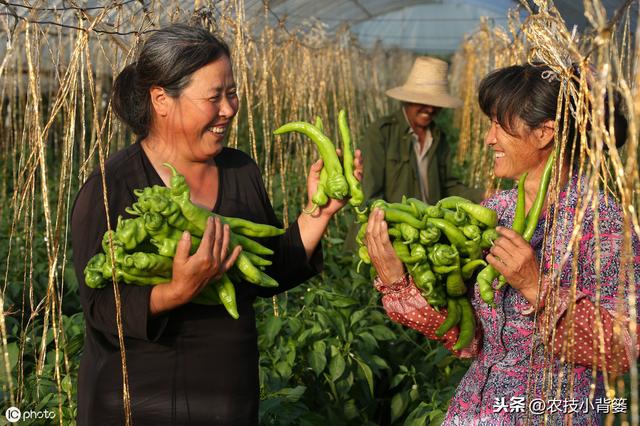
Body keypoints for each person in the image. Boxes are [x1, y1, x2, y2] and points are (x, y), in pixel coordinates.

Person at [71, 24, 362, 425]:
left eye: (232, 93)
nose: (228, 109)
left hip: (228, 398)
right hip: (137, 403)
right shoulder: (112, 187)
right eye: (214, 97)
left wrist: (319, 213)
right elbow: (100, 308)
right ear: (161, 99)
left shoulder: (239, 170)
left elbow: (265, 271)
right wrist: (175, 291)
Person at [365, 63, 639, 424]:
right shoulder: (496, 211)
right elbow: (467, 335)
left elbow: (625, 350)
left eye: (499, 124)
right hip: (478, 407)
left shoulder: (601, 225)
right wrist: (397, 281)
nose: (488, 139)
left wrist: (535, 286)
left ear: (544, 133)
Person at [360, 56, 483, 205]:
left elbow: (448, 187)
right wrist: (385, 222)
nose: (430, 109)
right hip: (391, 225)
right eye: (424, 101)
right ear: (407, 99)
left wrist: (484, 195)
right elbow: (371, 192)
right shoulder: (382, 133)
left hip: (428, 225)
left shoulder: (438, 137)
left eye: (436, 103)